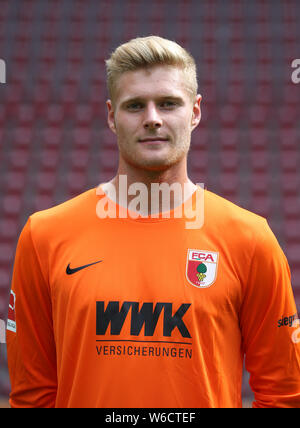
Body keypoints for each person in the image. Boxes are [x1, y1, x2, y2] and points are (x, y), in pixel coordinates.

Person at [6, 35, 300, 408]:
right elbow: (33, 397)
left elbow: (285, 395)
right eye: (134, 106)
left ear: (194, 112)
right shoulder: (44, 235)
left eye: (167, 103)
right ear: (111, 116)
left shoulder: (251, 239)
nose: (152, 119)